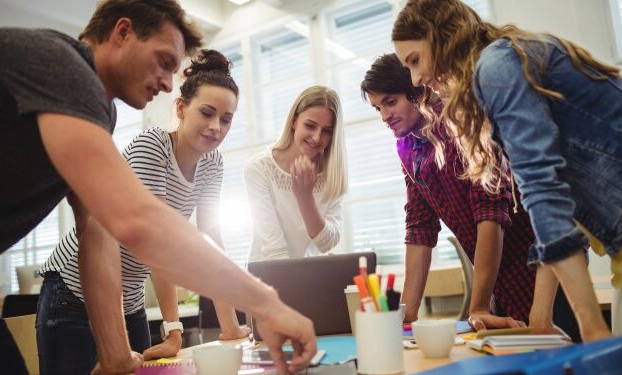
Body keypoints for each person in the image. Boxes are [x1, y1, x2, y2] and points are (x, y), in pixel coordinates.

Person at [0, 1, 315, 374]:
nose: (166, 82)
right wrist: (268, 305)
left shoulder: (100, 110)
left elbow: (96, 227)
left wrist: (115, 352)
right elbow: (139, 223)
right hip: (69, 296)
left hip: (124, 299)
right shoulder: (65, 67)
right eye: (163, 61)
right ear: (123, 32)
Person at [392, 0, 621, 341]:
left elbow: (544, 193)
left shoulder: (496, 68)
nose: (417, 78)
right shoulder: (502, 64)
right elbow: (555, 201)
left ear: (442, 36)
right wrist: (540, 317)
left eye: (415, 60)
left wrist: (591, 329)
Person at [36, 49, 251, 374]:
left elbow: (212, 240)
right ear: (181, 107)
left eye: (226, 118)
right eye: (206, 113)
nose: (215, 127)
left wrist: (231, 327)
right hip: (74, 292)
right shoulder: (153, 147)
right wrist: (174, 328)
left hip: (129, 300)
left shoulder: (213, 163)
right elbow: (154, 242)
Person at [360, 54, 579, 339]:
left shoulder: (460, 123)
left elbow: (490, 213)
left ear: (417, 91)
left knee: (573, 361)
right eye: (378, 108)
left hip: (545, 271)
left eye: (391, 102)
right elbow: (419, 228)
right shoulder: (407, 149)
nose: (385, 116)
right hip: (500, 284)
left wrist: (477, 305)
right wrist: (406, 315)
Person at [245, 86, 348, 261]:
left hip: (306, 278)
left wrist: (305, 197)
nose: (316, 137)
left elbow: (327, 243)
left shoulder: (333, 175)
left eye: (327, 131)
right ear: (293, 121)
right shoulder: (259, 168)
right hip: (266, 278)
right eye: (310, 125)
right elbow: (274, 248)